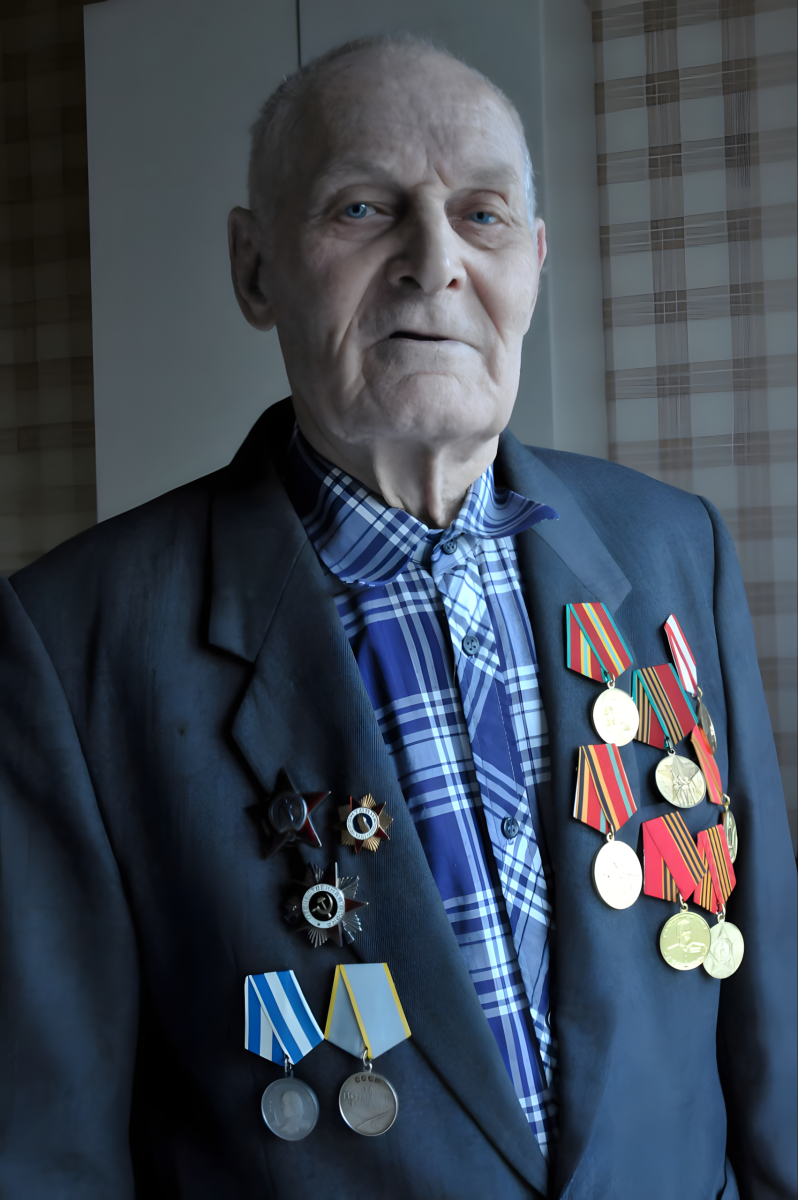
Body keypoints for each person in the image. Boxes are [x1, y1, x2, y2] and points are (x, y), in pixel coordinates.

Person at [0, 33, 795, 1200]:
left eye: (482, 216)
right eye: (364, 209)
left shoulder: (674, 546)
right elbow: (48, 1153)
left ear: (533, 261)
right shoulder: (71, 642)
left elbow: (766, 1018)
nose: (434, 262)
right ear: (256, 266)